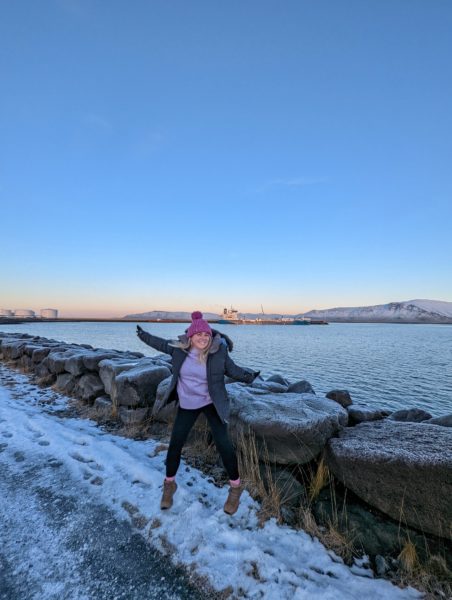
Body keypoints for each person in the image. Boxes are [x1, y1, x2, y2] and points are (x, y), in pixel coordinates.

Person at [137, 311, 260, 515]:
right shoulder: (179, 350)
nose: (203, 338)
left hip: (212, 402)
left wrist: (251, 377)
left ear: (210, 336)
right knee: (175, 443)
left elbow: (233, 370)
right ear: (190, 337)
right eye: (198, 335)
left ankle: (236, 488)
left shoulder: (218, 352)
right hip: (188, 403)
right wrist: (143, 335)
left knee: (224, 444)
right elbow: (158, 343)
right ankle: (169, 485)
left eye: (206, 335)